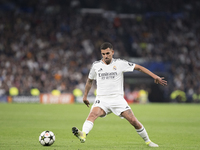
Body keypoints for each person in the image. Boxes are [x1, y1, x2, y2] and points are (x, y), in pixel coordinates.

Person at [72, 42, 167, 147]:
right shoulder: (96, 65)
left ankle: (148, 141)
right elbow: (89, 81)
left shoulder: (120, 63)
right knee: (92, 115)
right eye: (103, 54)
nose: (105, 56)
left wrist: (155, 76)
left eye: (107, 53)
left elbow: (139, 67)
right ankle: (83, 134)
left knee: (133, 120)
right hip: (101, 99)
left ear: (112, 52)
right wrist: (85, 96)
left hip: (117, 99)